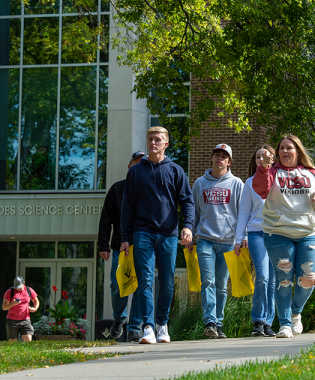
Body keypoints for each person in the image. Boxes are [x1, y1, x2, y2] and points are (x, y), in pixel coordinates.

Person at [252, 134, 315, 338]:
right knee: (284, 280)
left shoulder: (313, 174)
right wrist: (263, 168)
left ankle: (296, 311)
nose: (284, 151)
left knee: (308, 278)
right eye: (281, 148)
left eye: (289, 148)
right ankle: (285, 324)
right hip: (278, 233)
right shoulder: (272, 172)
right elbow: (261, 189)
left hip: (307, 233)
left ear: (298, 151)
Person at [120, 126, 195, 344]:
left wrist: (188, 226)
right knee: (144, 280)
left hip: (169, 234)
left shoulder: (176, 170)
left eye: (157, 139)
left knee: (167, 282)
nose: (153, 143)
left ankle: (163, 324)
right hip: (142, 232)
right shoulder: (135, 172)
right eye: (150, 139)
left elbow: (187, 202)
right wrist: (125, 237)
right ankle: (148, 328)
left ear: (166, 144)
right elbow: (128, 208)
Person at [189, 144, 244, 339]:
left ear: (229, 162)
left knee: (221, 284)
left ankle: (219, 323)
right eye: (216, 155)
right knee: (208, 281)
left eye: (224, 156)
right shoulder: (200, 183)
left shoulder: (237, 183)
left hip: (228, 241)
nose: (219, 159)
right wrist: (190, 233)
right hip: (205, 239)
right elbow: (193, 212)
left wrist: (242, 236)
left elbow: (243, 212)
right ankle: (209, 322)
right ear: (211, 159)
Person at [97, 151, 145, 342]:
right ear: (129, 167)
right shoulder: (117, 189)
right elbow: (105, 220)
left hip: (143, 247)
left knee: (142, 287)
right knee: (117, 285)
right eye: (136, 164)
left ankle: (134, 327)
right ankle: (119, 319)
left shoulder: (150, 189)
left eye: (143, 164)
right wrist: (103, 245)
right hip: (120, 247)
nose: (139, 167)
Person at [234, 144, 277, 337]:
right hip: (256, 233)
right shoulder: (249, 183)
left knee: (274, 281)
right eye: (258, 156)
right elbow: (244, 212)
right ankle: (258, 321)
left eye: (265, 156)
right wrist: (238, 238)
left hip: (277, 235)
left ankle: (269, 322)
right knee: (263, 276)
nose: (261, 159)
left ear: (273, 160)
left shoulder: (280, 180)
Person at [2, 276, 40, 341]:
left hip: (25, 320)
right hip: (12, 320)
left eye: (19, 286)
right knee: (12, 344)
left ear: (23, 283)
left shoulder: (29, 290)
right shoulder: (9, 292)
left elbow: (36, 301)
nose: (18, 288)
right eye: (16, 287)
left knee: (28, 342)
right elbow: (4, 307)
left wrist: (35, 308)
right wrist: (12, 304)